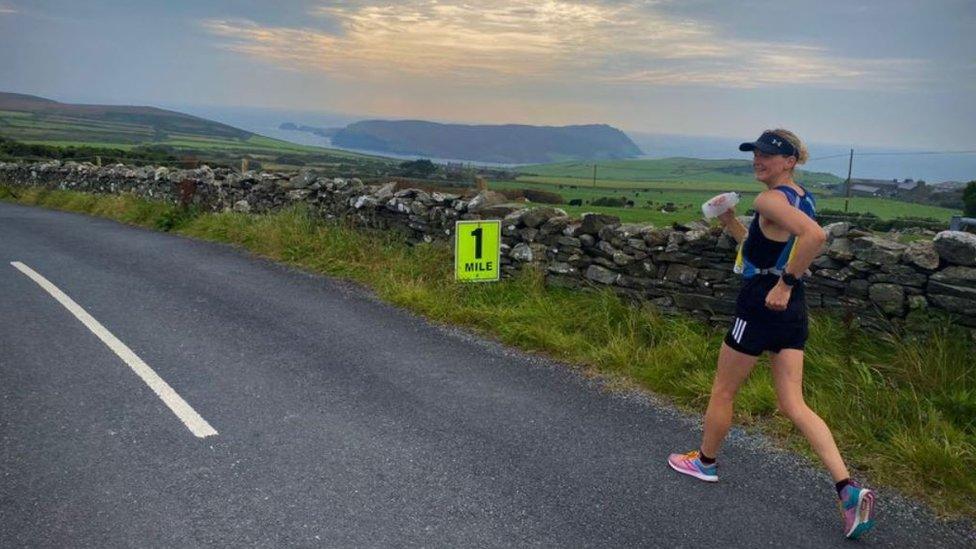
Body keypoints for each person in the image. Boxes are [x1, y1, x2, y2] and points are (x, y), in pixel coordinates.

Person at [666, 129, 877, 540]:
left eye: (768, 155)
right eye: (756, 153)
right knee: (794, 403)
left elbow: (815, 237)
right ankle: (847, 490)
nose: (758, 160)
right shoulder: (800, 196)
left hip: (765, 301)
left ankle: (705, 462)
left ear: (789, 160)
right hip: (791, 309)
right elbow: (765, 251)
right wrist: (731, 223)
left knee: (723, 391)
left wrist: (784, 284)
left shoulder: (768, 199)